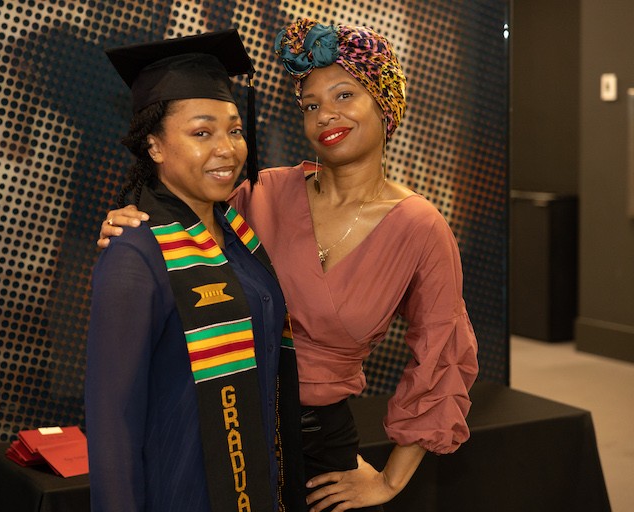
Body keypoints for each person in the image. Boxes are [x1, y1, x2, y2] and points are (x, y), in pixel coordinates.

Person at [97, 19, 479, 512]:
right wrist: (129, 222)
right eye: (311, 105)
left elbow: (443, 354)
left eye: (344, 96)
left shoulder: (420, 228)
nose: (326, 116)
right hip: (233, 430)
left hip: (323, 447)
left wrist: (390, 480)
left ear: (383, 103)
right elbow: (183, 219)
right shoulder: (264, 194)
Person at [85, 29, 306, 512]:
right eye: (201, 132)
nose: (226, 148)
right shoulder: (135, 257)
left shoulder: (239, 236)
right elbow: (112, 430)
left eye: (234, 129)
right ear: (155, 146)